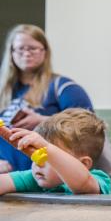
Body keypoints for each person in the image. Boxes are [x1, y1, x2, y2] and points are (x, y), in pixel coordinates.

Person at [0, 24, 94, 173]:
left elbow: (89, 129)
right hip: (5, 176)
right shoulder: (3, 90)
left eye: (32, 48)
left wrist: (42, 120)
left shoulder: (64, 88)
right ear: (11, 52)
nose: (26, 53)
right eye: (20, 48)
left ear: (45, 51)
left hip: (44, 178)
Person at [0, 108, 111, 195]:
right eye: (38, 154)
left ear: (83, 164)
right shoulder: (36, 179)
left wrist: (46, 147)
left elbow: (82, 184)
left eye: (48, 157)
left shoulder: (99, 179)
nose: (38, 163)